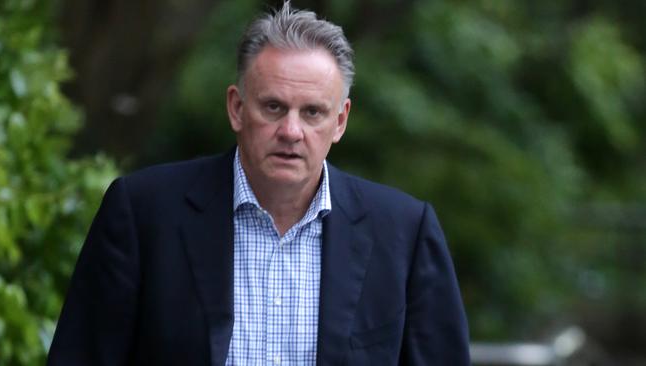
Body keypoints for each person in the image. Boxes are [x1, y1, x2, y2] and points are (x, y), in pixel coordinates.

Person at [47, 2, 469, 365]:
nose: (291, 130)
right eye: (273, 107)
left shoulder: (404, 233)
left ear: (340, 121)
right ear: (236, 108)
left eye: (312, 113)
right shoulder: (142, 214)